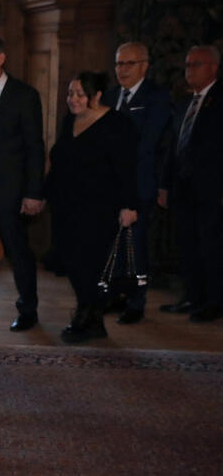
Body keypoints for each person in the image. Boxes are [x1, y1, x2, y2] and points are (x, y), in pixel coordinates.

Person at [47, 72, 138, 343]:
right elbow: (60, 160)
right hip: (67, 208)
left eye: (79, 94)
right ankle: (90, 317)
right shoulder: (70, 120)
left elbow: (128, 169)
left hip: (99, 210)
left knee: (92, 267)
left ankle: (87, 317)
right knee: (74, 265)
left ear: (97, 95)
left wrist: (129, 205)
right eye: (70, 94)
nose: (72, 99)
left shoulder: (118, 124)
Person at [0, 34, 45, 331]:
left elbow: (34, 147)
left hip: (11, 190)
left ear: (1, 59)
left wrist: (33, 192)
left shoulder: (24, 95)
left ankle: (28, 308)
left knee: (18, 250)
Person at [100, 42, 171, 324]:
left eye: (129, 64)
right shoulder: (110, 94)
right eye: (118, 64)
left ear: (144, 65)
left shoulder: (156, 97)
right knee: (113, 243)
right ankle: (115, 294)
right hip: (110, 185)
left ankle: (136, 302)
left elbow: (149, 143)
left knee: (137, 246)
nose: (122, 70)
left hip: (139, 183)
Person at [158, 46, 222, 322]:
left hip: (213, 190)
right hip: (183, 188)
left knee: (212, 246)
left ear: (214, 68)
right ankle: (192, 296)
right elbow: (173, 146)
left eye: (196, 64)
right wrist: (164, 185)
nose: (189, 69)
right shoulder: (185, 102)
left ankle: (214, 301)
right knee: (187, 245)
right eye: (187, 64)